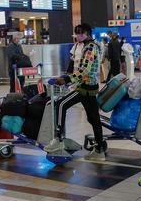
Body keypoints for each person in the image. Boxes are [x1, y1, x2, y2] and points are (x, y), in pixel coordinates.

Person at [45, 23, 106, 161]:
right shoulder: (84, 45)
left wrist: (67, 79)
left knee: (60, 105)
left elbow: (85, 69)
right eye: (77, 33)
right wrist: (67, 76)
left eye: (80, 33)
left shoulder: (90, 47)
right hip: (87, 87)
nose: (78, 36)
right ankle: (99, 148)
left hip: (84, 87)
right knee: (93, 118)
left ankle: (58, 138)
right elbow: (75, 65)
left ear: (87, 33)